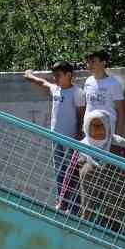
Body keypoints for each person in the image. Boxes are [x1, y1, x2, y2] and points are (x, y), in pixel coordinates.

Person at [56, 109, 125, 232]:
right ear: (87, 127)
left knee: (121, 237)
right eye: (93, 126)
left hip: (119, 204)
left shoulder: (120, 144)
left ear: (107, 126)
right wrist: (63, 202)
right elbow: (70, 175)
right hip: (91, 206)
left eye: (101, 126)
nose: (97, 130)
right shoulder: (80, 147)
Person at [23, 61, 85, 212]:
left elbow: (81, 114)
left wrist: (78, 134)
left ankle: (75, 206)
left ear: (68, 75)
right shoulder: (55, 89)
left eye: (58, 75)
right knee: (59, 170)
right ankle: (62, 201)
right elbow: (42, 83)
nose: (55, 78)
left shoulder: (76, 92)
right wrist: (29, 75)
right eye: (54, 75)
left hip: (70, 140)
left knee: (73, 172)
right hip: (56, 138)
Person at [81, 48, 125, 136]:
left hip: (107, 131)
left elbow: (121, 111)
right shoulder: (88, 81)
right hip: (89, 130)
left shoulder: (113, 83)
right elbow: (88, 105)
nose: (89, 65)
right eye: (88, 62)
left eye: (93, 62)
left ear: (103, 62)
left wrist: (118, 135)